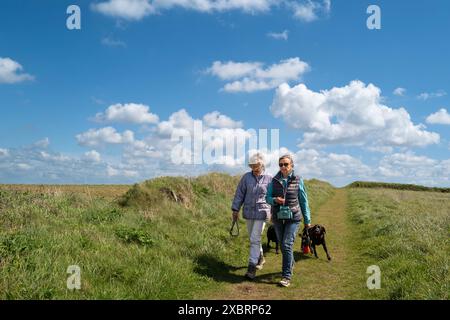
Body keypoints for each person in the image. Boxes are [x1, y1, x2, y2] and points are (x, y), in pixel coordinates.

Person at [266, 154, 311, 287]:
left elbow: (303, 200)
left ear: (292, 165)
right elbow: (267, 197)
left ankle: (286, 276)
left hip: (294, 217)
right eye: (281, 164)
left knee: (286, 244)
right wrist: (275, 200)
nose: (283, 167)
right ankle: (291, 263)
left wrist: (307, 220)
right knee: (282, 244)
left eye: (286, 164)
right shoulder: (273, 180)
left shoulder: (298, 180)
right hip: (278, 217)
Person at [231, 153, 272, 280]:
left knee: (255, 238)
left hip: (262, 212)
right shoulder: (246, 178)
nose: (254, 167)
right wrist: (235, 208)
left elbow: (273, 196)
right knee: (252, 238)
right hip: (248, 211)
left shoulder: (269, 178)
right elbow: (240, 193)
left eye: (256, 165)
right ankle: (260, 257)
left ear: (262, 164)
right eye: (252, 165)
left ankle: (251, 267)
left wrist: (274, 212)